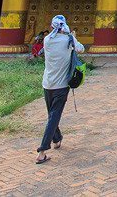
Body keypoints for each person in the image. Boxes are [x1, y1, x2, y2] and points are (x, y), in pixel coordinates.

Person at [36, 15, 84, 165]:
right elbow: (81, 49)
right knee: (54, 116)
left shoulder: (47, 40)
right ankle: (42, 151)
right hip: (62, 86)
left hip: (47, 84)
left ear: (52, 27)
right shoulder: (68, 40)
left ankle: (57, 139)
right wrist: (73, 37)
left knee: (52, 114)